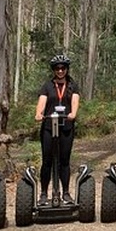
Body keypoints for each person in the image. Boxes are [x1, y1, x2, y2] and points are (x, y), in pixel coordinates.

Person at [34, 54, 80, 205]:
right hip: (49, 126)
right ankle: (43, 194)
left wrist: (73, 113)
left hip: (66, 126)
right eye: (57, 68)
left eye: (63, 68)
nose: (60, 71)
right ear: (53, 70)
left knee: (64, 160)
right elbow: (42, 101)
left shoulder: (72, 85)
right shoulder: (47, 86)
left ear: (67, 69)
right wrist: (39, 113)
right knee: (47, 160)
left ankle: (65, 193)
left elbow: (75, 100)